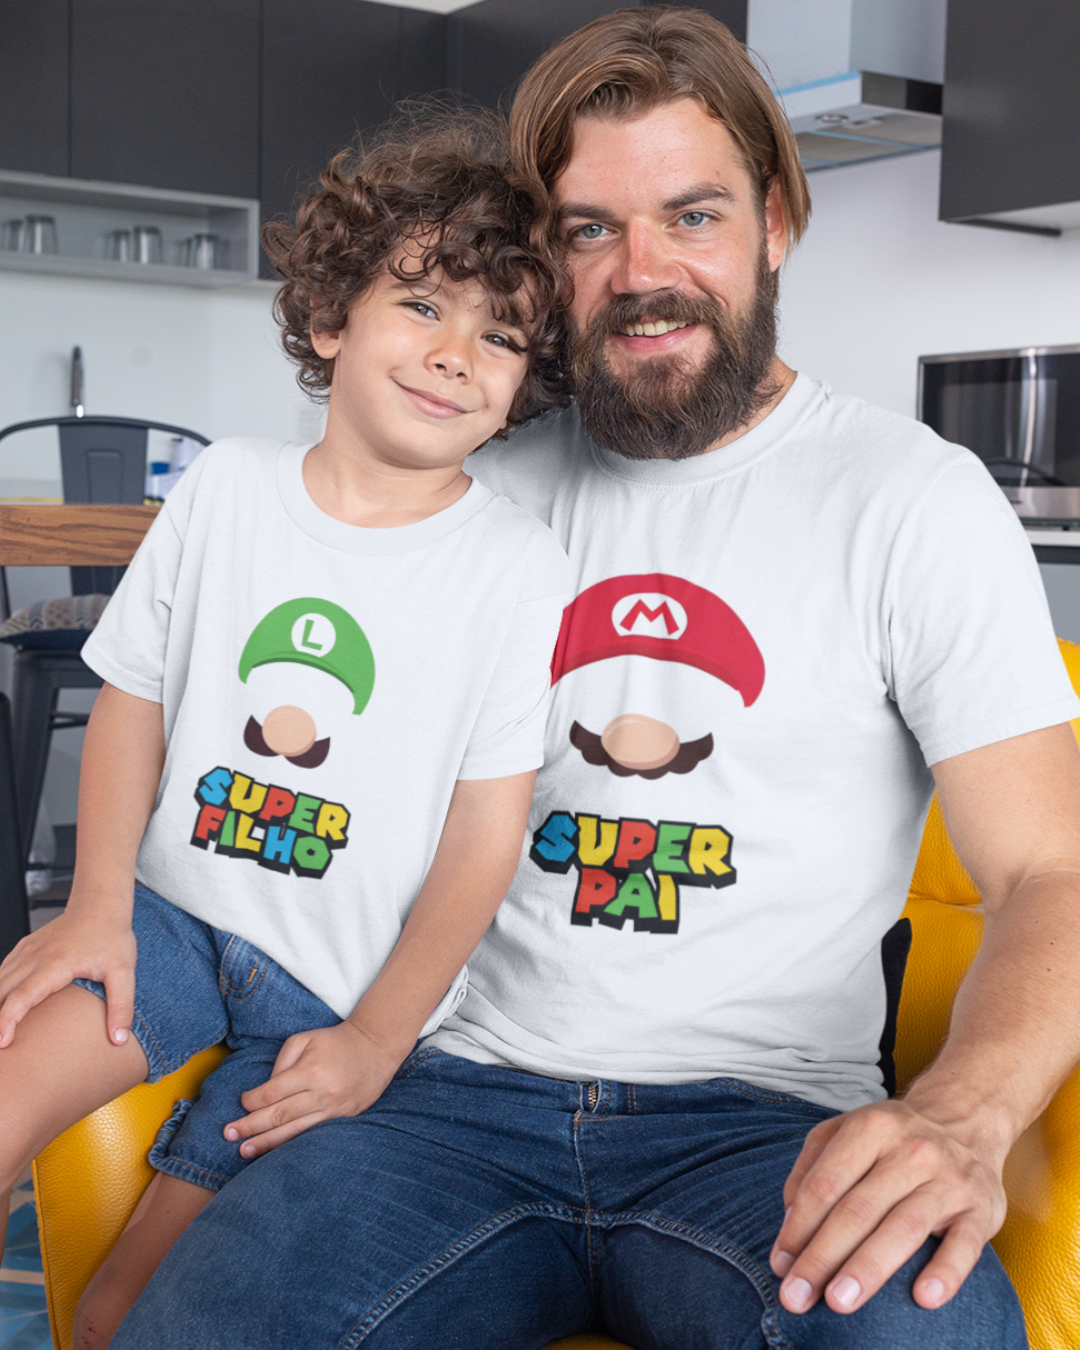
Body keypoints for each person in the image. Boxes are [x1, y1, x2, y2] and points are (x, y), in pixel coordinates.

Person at [111, 9, 1080, 1350]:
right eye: (588, 230)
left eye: (693, 216)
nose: (644, 273)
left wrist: (963, 1112)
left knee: (919, 1328)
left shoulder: (913, 498)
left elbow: (1050, 870)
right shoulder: (462, 474)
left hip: (763, 1129)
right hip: (438, 1098)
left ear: (775, 221)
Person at [0, 115, 572, 1347]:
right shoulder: (225, 488)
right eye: (422, 304)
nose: (456, 353)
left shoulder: (519, 568)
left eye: (501, 335)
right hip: (168, 923)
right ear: (327, 320)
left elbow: (487, 835)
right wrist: (96, 906)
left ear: (524, 386)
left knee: (121, 1311)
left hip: (328, 998)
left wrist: (377, 1035)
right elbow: (134, 698)